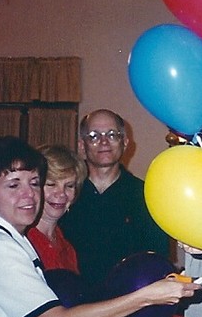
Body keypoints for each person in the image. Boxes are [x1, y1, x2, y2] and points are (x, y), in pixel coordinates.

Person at [0, 136, 200, 317]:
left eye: (33, 183)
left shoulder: (14, 241)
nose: (29, 194)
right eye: (14, 185)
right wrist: (147, 296)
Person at [60, 109, 170, 288]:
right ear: (81, 145)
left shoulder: (146, 196)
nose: (103, 142)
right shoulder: (63, 194)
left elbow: (157, 261)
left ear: (125, 143)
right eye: (94, 136)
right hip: (72, 299)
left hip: (129, 299)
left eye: (112, 135)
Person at [27, 144, 87, 273]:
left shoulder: (68, 248)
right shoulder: (22, 240)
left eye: (69, 186)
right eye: (51, 184)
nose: (61, 194)